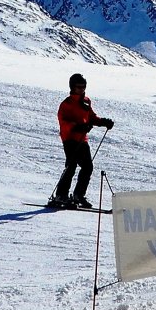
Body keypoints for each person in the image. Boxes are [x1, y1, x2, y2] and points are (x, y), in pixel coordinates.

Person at [47, 72, 114, 209]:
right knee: (71, 166)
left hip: (82, 139)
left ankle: (78, 195)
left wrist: (103, 122)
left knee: (87, 167)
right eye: (79, 87)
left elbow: (91, 117)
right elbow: (63, 122)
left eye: (83, 87)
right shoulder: (66, 104)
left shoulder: (86, 101)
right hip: (70, 139)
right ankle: (61, 195)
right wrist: (78, 126)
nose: (81, 89)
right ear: (72, 87)